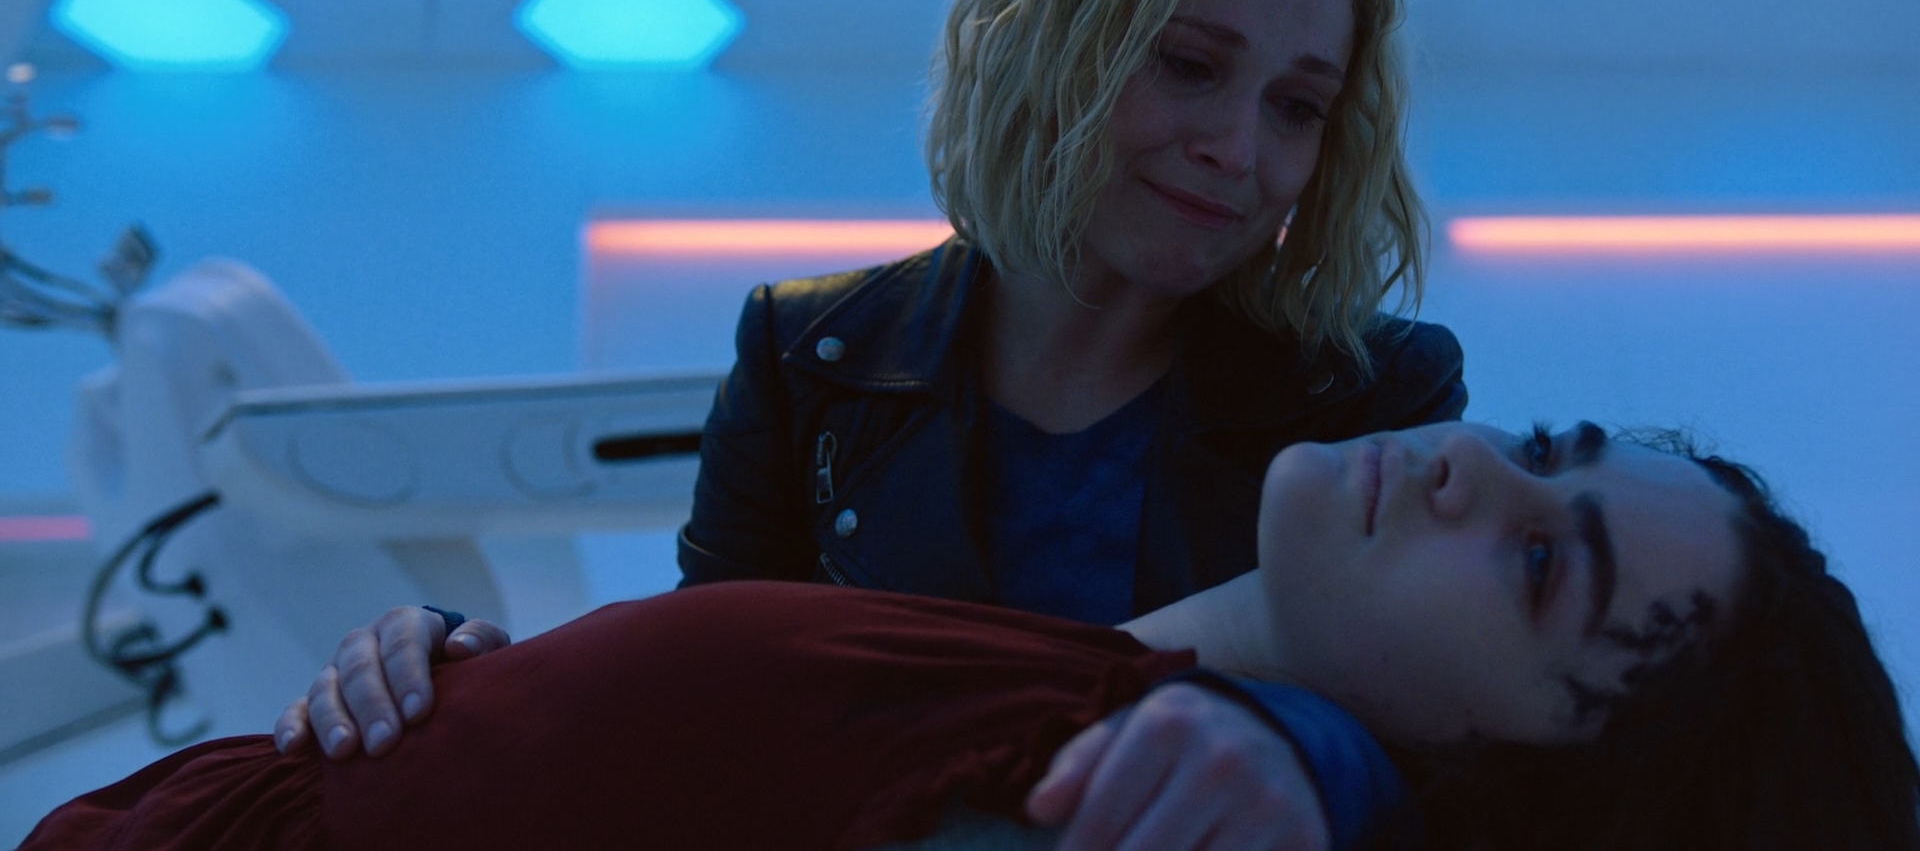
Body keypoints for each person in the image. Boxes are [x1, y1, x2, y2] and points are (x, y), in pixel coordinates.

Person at [275, 0, 1465, 848]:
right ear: (1050, 40)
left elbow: (1450, 751)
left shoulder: (1373, 397)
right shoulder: (807, 360)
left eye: (1297, 106)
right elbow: (701, 711)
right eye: (1191, 65)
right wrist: (469, 676)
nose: (1240, 150)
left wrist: (1309, 753)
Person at [25, 423, 1920, 850]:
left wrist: (1321, 772)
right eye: (1548, 445)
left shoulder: (1121, 796)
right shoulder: (1055, 679)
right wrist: (470, 683)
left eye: (1541, 566)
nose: (1473, 466)